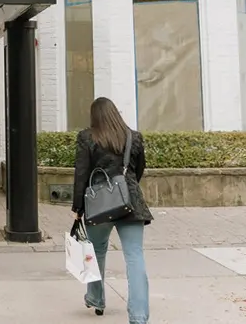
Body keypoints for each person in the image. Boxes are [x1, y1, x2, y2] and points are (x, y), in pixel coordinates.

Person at [71, 97, 153, 324]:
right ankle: (139, 316)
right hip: (130, 202)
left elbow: (81, 174)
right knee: (135, 256)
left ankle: (96, 299)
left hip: (99, 203)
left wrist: (78, 207)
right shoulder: (133, 137)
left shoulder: (87, 137)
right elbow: (138, 170)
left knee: (96, 250)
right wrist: (126, 190)